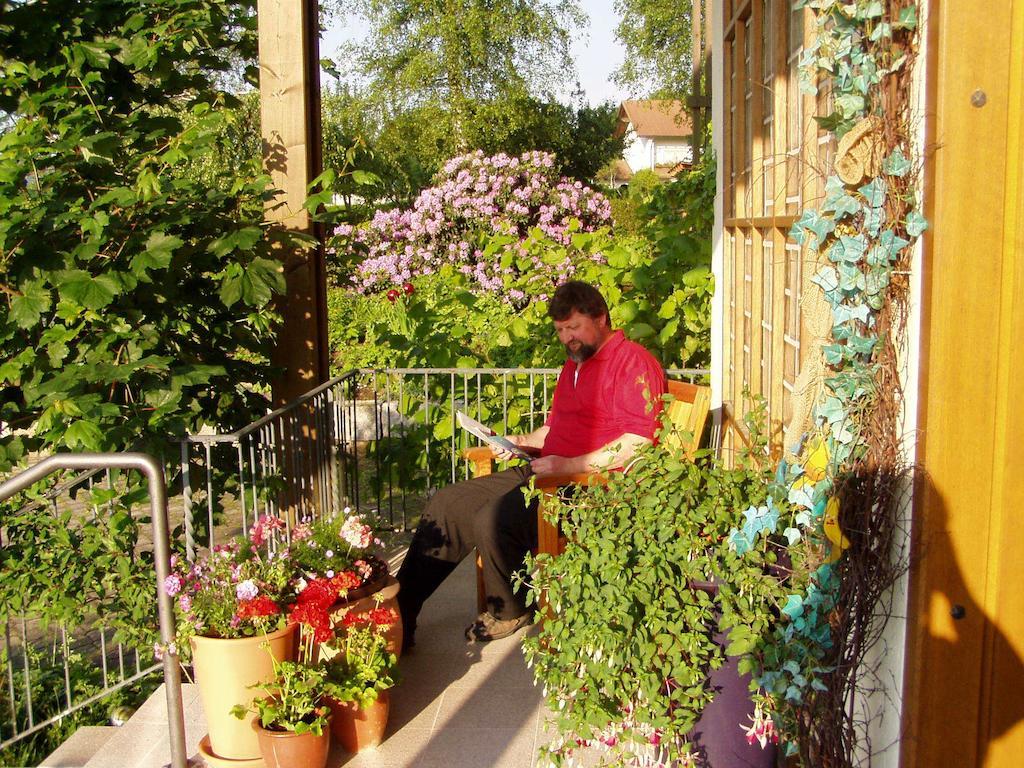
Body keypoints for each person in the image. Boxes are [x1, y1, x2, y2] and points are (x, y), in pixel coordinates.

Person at [396, 281, 667, 645]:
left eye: (574, 327)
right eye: (560, 330)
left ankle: (509, 611)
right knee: (448, 504)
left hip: (592, 487)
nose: (567, 338)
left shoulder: (632, 361)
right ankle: (400, 614)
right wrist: (521, 442)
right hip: (550, 469)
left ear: (601, 317)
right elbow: (556, 427)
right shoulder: (576, 364)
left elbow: (638, 442)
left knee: (493, 518)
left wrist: (569, 464)